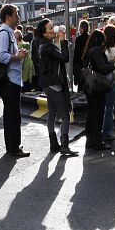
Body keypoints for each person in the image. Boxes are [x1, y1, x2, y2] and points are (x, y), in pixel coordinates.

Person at [38, 19, 77, 156]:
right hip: (54, 85)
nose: (52, 29)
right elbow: (65, 58)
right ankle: (64, 146)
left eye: (52, 27)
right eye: (49, 28)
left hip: (48, 85)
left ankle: (53, 144)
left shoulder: (44, 46)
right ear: (44, 34)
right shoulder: (48, 47)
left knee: (52, 114)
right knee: (65, 114)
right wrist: (63, 40)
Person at [0, 4, 30, 157]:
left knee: (13, 115)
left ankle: (14, 146)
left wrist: (17, 54)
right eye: (16, 15)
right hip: (9, 81)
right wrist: (18, 56)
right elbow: (0, 56)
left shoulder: (8, 32)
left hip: (12, 80)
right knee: (12, 116)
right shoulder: (4, 33)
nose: (18, 18)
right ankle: (13, 147)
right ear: (8, 17)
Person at [82, 29, 115, 151]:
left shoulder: (89, 50)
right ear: (100, 40)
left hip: (90, 86)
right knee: (97, 114)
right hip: (97, 87)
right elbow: (103, 69)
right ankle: (97, 141)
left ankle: (90, 140)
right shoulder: (96, 51)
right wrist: (111, 63)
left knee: (91, 114)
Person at [101, 24, 115, 142]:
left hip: (102, 82)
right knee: (109, 108)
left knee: (104, 107)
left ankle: (103, 130)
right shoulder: (113, 49)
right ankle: (107, 132)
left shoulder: (103, 48)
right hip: (112, 82)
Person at [72, 20, 90, 89]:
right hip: (88, 65)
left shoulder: (79, 39)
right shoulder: (90, 37)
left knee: (81, 86)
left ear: (82, 29)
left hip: (80, 65)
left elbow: (76, 54)